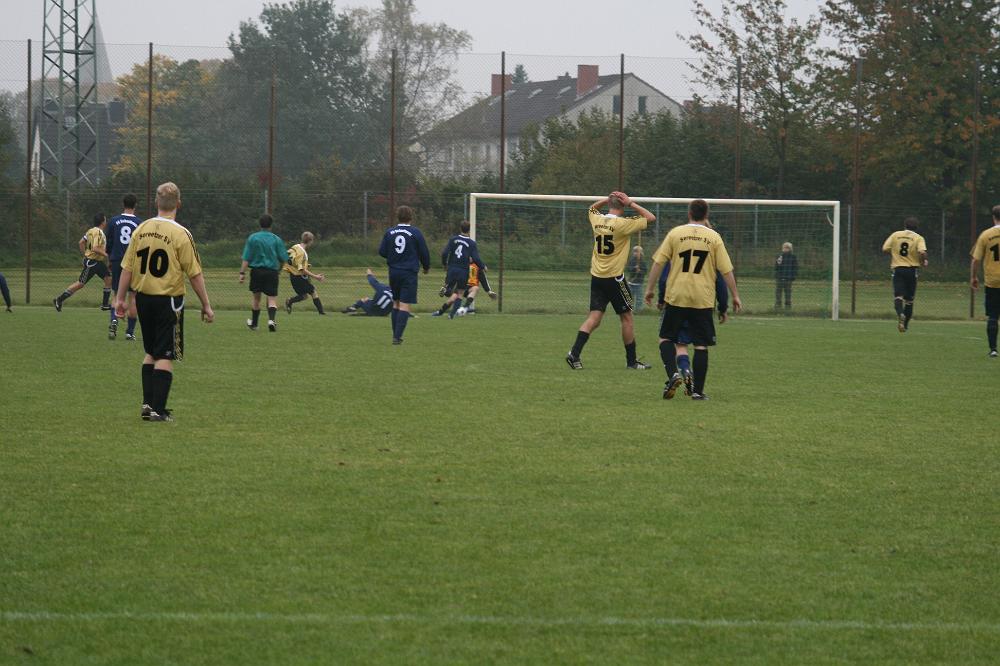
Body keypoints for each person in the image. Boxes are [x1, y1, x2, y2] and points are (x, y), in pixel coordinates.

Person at [114, 182, 213, 422]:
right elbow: (194, 273)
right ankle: (158, 410)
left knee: (151, 352)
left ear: (157, 203)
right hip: (168, 300)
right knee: (165, 354)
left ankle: (148, 405)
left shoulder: (142, 229)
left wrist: (120, 298)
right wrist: (206, 305)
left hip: (143, 298)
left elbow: (127, 267)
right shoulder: (181, 234)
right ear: (178, 204)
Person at [644, 199, 742, 401]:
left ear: (689, 213)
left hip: (677, 295)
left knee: (665, 338)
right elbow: (726, 270)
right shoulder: (714, 237)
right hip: (702, 298)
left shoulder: (675, 233)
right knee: (700, 345)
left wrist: (650, 289)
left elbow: (658, 263)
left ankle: (673, 373)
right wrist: (735, 295)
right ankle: (697, 391)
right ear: (706, 215)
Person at [566, 191, 656, 370]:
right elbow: (650, 217)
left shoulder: (597, 220)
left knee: (594, 317)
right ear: (622, 206)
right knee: (627, 318)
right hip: (615, 278)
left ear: (609, 204)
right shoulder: (623, 224)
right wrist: (631, 203)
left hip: (597, 276)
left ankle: (574, 354)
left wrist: (607, 199)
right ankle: (631, 362)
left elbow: (592, 208)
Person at [378, 205, 430, 345]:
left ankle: (395, 334)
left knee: (396, 302)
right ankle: (397, 337)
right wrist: (426, 267)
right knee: (405, 305)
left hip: (394, 272)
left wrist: (394, 256)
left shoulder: (390, 232)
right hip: (409, 272)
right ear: (411, 217)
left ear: (398, 217)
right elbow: (424, 253)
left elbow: (382, 251)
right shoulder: (415, 233)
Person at [53, 213, 113, 312]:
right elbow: (95, 248)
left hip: (96, 262)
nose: (106, 221)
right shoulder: (98, 232)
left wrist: (85, 255)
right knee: (80, 283)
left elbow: (81, 242)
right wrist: (107, 255)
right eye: (105, 220)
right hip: (93, 263)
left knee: (108, 279)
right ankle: (59, 299)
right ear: (103, 222)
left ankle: (105, 304)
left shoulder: (90, 231)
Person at [239, 214, 287, 332]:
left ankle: (254, 324)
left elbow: (246, 257)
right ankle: (271, 320)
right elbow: (283, 258)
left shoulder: (253, 238)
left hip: (256, 271)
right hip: (272, 272)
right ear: (271, 225)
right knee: (272, 299)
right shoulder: (276, 239)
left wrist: (242, 273)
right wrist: (279, 270)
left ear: (259, 224)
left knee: (256, 299)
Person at [882, 217, 928, 332]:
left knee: (898, 296)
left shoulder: (895, 235)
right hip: (912, 271)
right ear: (916, 227)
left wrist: (894, 253)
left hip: (898, 269)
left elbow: (885, 248)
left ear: (904, 225)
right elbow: (922, 252)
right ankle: (905, 325)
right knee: (909, 300)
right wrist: (923, 261)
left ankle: (900, 314)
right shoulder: (918, 238)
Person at [105, 194, 141, 340]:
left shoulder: (114, 221)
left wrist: (110, 259)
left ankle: (114, 320)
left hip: (117, 261)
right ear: (135, 205)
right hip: (133, 263)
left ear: (123, 204)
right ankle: (129, 332)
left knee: (116, 294)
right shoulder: (139, 223)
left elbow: (109, 244)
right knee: (133, 297)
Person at [437, 220, 487, 319]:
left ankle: (446, 288)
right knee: (460, 293)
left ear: (460, 228)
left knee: (449, 288)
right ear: (469, 230)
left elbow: (445, 253)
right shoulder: (471, 243)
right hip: (463, 271)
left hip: (452, 268)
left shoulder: (453, 239)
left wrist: (444, 264)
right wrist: (482, 266)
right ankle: (451, 315)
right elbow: (476, 258)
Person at [970, 204, 1000, 358]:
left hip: (992, 281)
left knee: (993, 316)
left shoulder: (985, 235)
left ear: (993, 217)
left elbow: (975, 260)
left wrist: (974, 277)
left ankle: (993, 349)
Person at [283, 231, 326, 315]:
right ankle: (321, 313)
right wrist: (316, 277)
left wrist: (306, 265)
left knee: (304, 296)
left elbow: (291, 259)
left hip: (293, 276)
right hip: (300, 277)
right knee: (313, 292)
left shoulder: (295, 247)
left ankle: (289, 301)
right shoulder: (303, 253)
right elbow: (302, 270)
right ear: (310, 241)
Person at [431, 262, 497, 316]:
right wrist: (446, 288)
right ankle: (440, 312)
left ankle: (464, 308)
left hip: (470, 288)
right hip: (461, 287)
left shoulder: (477, 266)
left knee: (475, 288)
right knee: (451, 299)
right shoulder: (460, 265)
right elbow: (452, 278)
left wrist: (489, 291)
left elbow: (483, 279)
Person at [774, 241, 798, 311]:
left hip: (789, 278)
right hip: (780, 278)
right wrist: (777, 274)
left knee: (788, 293)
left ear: (790, 249)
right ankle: (778, 306)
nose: (785, 249)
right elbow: (776, 267)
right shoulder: (780, 256)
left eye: (787, 248)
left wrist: (793, 276)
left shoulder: (793, 257)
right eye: (784, 247)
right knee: (778, 293)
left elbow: (795, 267)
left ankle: (788, 307)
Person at [626, 245, 646, 312]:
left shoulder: (642, 262)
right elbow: (628, 269)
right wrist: (634, 268)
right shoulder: (632, 260)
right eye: (635, 252)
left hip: (639, 283)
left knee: (639, 298)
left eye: (638, 252)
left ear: (641, 253)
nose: (636, 253)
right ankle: (629, 309)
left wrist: (640, 271)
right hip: (631, 282)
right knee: (630, 297)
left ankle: (638, 310)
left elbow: (645, 271)